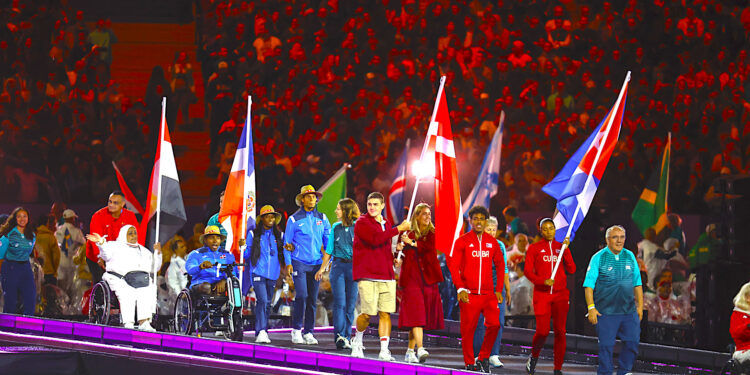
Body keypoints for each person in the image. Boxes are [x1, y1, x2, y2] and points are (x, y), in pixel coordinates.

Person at [350, 192, 411, 360]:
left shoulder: (387, 223)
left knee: (385, 314)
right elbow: (375, 239)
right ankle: (357, 340)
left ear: (382, 206)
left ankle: (384, 350)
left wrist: (395, 255)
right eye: (370, 204)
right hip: (367, 275)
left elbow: (384, 247)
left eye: (376, 204)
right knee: (367, 314)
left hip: (387, 275)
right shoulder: (361, 222)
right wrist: (398, 229)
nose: (372, 207)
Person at [449, 205, 505, 372]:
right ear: (470, 221)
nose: (479, 222)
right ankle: (469, 362)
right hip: (469, 293)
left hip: (488, 294)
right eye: (476, 219)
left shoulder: (492, 242)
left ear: (485, 221)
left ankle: (483, 357)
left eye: (482, 219)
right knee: (468, 330)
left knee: (494, 325)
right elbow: (454, 267)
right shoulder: (463, 241)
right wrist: (460, 289)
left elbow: (501, 266)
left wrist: (498, 289)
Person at [584, 225, 643, 375]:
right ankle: (605, 372)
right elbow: (588, 285)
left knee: (632, 342)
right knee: (606, 346)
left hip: (628, 311)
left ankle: (624, 371)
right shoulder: (598, 257)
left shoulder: (629, 256)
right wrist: (591, 308)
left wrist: (640, 307)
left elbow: (637, 283)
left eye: (622, 237)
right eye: (615, 237)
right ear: (607, 240)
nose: (619, 241)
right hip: (606, 312)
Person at [524, 218, 575, 375]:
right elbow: (528, 272)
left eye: (551, 228)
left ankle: (558, 367)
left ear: (555, 230)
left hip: (560, 295)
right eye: (545, 229)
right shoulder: (534, 248)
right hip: (542, 295)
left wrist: (566, 250)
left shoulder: (561, 247)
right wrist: (542, 281)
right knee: (543, 331)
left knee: (560, 331)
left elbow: (572, 269)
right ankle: (534, 356)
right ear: (540, 230)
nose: (548, 231)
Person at [86, 225, 161, 331]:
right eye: (130, 233)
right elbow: (105, 255)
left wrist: (158, 254)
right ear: (123, 234)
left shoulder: (144, 251)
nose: (133, 235)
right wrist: (101, 243)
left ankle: (144, 322)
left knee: (149, 289)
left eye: (135, 233)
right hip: (120, 279)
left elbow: (155, 268)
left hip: (141, 280)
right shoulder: (114, 246)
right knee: (127, 291)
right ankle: (128, 322)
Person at [284, 185, 331, 345]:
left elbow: (328, 243)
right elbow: (287, 243)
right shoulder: (293, 220)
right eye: (309, 196)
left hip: (316, 264)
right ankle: (296, 330)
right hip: (299, 263)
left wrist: (327, 262)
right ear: (302, 199)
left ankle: (309, 332)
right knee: (302, 296)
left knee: (312, 299)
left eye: (314, 196)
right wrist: (289, 263)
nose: (312, 199)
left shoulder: (323, 218)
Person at [397, 203, 444, 363]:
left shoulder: (432, 233)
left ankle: (410, 351)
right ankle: (421, 348)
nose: (427, 216)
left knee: (418, 317)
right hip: (411, 278)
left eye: (429, 214)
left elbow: (429, 249)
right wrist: (398, 254)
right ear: (416, 216)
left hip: (427, 279)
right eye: (424, 213)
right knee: (416, 314)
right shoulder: (406, 232)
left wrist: (411, 243)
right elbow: (400, 253)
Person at [314, 198, 360, 350]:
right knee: (340, 303)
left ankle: (347, 336)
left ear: (346, 211)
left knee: (350, 304)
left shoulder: (358, 227)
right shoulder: (335, 227)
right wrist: (322, 268)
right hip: (338, 267)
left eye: (338, 209)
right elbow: (329, 250)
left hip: (354, 268)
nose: (336, 211)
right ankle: (339, 336)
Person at [472, 216, 510, 368]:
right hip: (479, 291)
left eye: (494, 230)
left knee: (498, 323)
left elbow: (504, 269)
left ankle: (494, 354)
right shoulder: (475, 244)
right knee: (480, 324)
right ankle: (478, 355)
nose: (492, 233)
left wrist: (508, 289)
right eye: (489, 229)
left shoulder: (500, 246)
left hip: (496, 291)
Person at [247, 205, 285, 344]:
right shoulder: (253, 234)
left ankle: (262, 331)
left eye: (273, 216)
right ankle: (261, 330)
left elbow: (285, 251)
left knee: (267, 303)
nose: (270, 219)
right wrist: (242, 246)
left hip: (273, 274)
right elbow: (247, 254)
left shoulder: (279, 235)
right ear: (262, 218)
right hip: (258, 272)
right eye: (267, 216)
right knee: (262, 300)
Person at [86, 191, 139, 284]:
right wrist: (100, 257)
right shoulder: (98, 216)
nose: (111, 205)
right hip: (97, 256)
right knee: (101, 282)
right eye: (110, 201)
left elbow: (135, 238)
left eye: (115, 203)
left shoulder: (130, 216)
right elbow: (95, 240)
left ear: (123, 204)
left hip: (119, 256)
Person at [0, 207, 37, 315]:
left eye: (24, 216)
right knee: (11, 300)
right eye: (19, 216)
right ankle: (7, 327)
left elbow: (30, 252)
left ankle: (27, 325)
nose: (22, 219)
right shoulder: (9, 234)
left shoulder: (32, 235)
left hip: (25, 267)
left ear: (28, 218)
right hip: (11, 267)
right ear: (15, 218)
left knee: (30, 297)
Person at [185, 226, 237, 296]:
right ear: (205, 240)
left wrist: (224, 280)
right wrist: (200, 267)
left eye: (218, 238)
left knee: (234, 285)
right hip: (201, 284)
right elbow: (190, 270)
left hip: (220, 284)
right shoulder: (196, 254)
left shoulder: (228, 255)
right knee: (206, 287)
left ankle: (237, 306)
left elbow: (234, 273)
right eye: (212, 237)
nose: (215, 241)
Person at [54, 209, 86, 296]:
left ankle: (61, 306)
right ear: (72, 218)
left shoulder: (57, 231)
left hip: (60, 262)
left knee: (60, 287)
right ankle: (69, 307)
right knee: (71, 288)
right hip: (71, 262)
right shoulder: (76, 231)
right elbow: (85, 245)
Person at [36, 214, 61, 286]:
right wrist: (54, 271)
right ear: (47, 223)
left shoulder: (33, 236)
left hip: (36, 272)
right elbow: (56, 257)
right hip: (49, 272)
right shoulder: (50, 237)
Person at [730, 282, 750, 371]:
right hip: (743, 350)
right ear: (747, 297)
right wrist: (748, 326)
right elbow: (737, 333)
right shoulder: (738, 314)